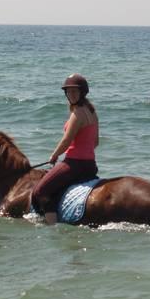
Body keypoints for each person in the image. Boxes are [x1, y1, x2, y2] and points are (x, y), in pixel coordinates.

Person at [32, 73, 99, 224]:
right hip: (90, 166)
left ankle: (51, 226)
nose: (71, 94)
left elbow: (66, 141)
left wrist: (54, 156)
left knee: (40, 191)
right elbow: (95, 142)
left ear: (82, 92)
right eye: (68, 91)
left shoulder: (77, 113)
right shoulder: (93, 112)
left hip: (74, 164)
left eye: (75, 91)